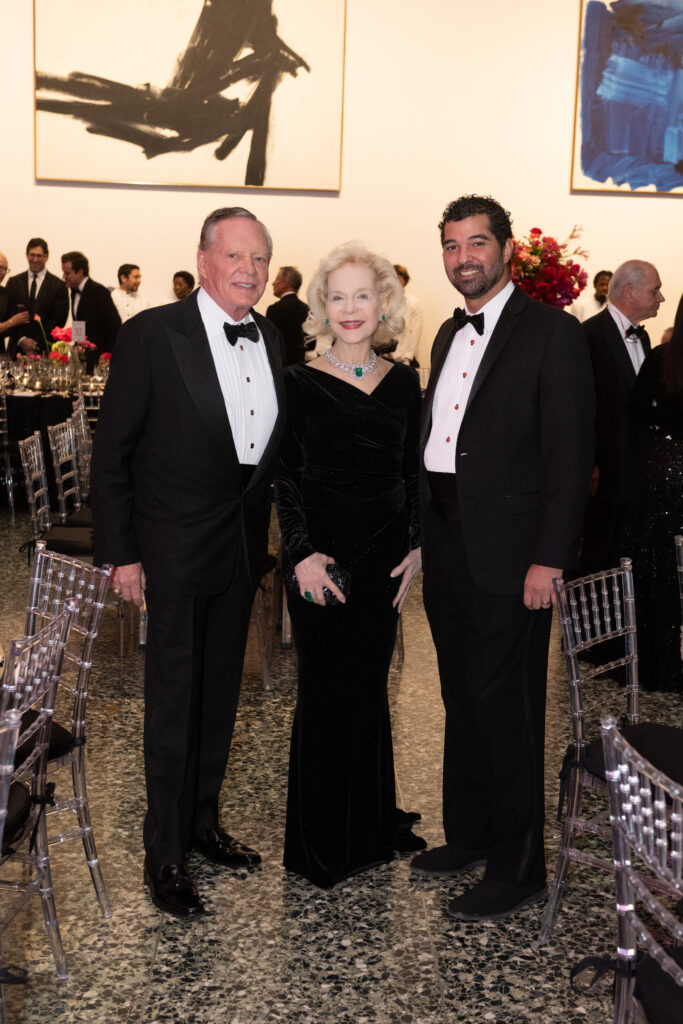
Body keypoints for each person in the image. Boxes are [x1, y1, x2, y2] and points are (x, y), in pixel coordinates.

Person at [91, 207, 285, 918]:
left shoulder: (270, 335)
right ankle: (163, 852)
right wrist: (122, 555)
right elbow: (112, 454)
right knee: (173, 705)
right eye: (236, 256)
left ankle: (202, 824)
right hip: (170, 552)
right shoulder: (151, 334)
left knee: (218, 698)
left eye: (260, 258)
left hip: (239, 550)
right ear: (203, 260)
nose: (249, 270)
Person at [410, 195, 594, 922]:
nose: (463, 258)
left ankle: (519, 865)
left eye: (476, 243)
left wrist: (548, 559)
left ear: (508, 250)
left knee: (508, 707)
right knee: (461, 697)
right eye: (451, 245)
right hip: (448, 544)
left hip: (513, 555)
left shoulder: (551, 334)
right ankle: (473, 833)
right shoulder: (446, 336)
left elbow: (568, 457)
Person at [274, 242, 424, 888]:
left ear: (383, 302)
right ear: (321, 308)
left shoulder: (404, 379)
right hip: (321, 561)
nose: (351, 308)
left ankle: (367, 827)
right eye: (338, 297)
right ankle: (321, 842)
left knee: (367, 691)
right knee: (323, 691)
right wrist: (301, 555)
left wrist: (418, 547)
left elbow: (412, 471)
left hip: (386, 561)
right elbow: (285, 479)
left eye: (363, 295)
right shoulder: (299, 380)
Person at [580, 260, 664, 574]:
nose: (661, 299)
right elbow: (580, 408)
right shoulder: (588, 335)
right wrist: (588, 463)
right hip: (602, 476)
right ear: (629, 292)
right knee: (597, 557)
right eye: (655, 291)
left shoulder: (642, 338)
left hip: (637, 472)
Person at [621, 293, 683, 694]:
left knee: (659, 568)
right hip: (667, 476)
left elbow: (636, 417)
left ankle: (660, 666)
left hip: (662, 472)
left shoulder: (662, 358)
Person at [5, 237, 69, 357]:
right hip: (16, 351)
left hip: (45, 350)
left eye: (39, 256)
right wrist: (22, 339)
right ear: (26, 255)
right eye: (32, 255)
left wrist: (36, 343)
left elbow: (59, 319)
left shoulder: (59, 286)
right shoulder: (13, 283)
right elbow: (8, 314)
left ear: (46, 257)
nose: (35, 259)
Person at [61, 251, 122, 371]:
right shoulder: (74, 292)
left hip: (100, 359)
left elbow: (115, 324)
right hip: (83, 359)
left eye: (67, 273)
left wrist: (108, 354)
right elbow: (79, 323)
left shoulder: (98, 291)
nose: (64, 277)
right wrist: (76, 349)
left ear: (80, 272)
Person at [265, 265, 310, 365]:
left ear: (285, 284)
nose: (273, 283)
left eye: (276, 279)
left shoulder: (274, 310)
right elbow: (311, 344)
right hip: (302, 369)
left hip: (281, 369)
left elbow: (269, 345)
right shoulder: (307, 310)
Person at [392, 264, 423, 366]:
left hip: (405, 359)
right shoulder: (382, 304)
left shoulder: (414, 303)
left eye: (399, 277)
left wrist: (407, 358)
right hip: (385, 359)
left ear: (404, 280)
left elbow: (415, 333)